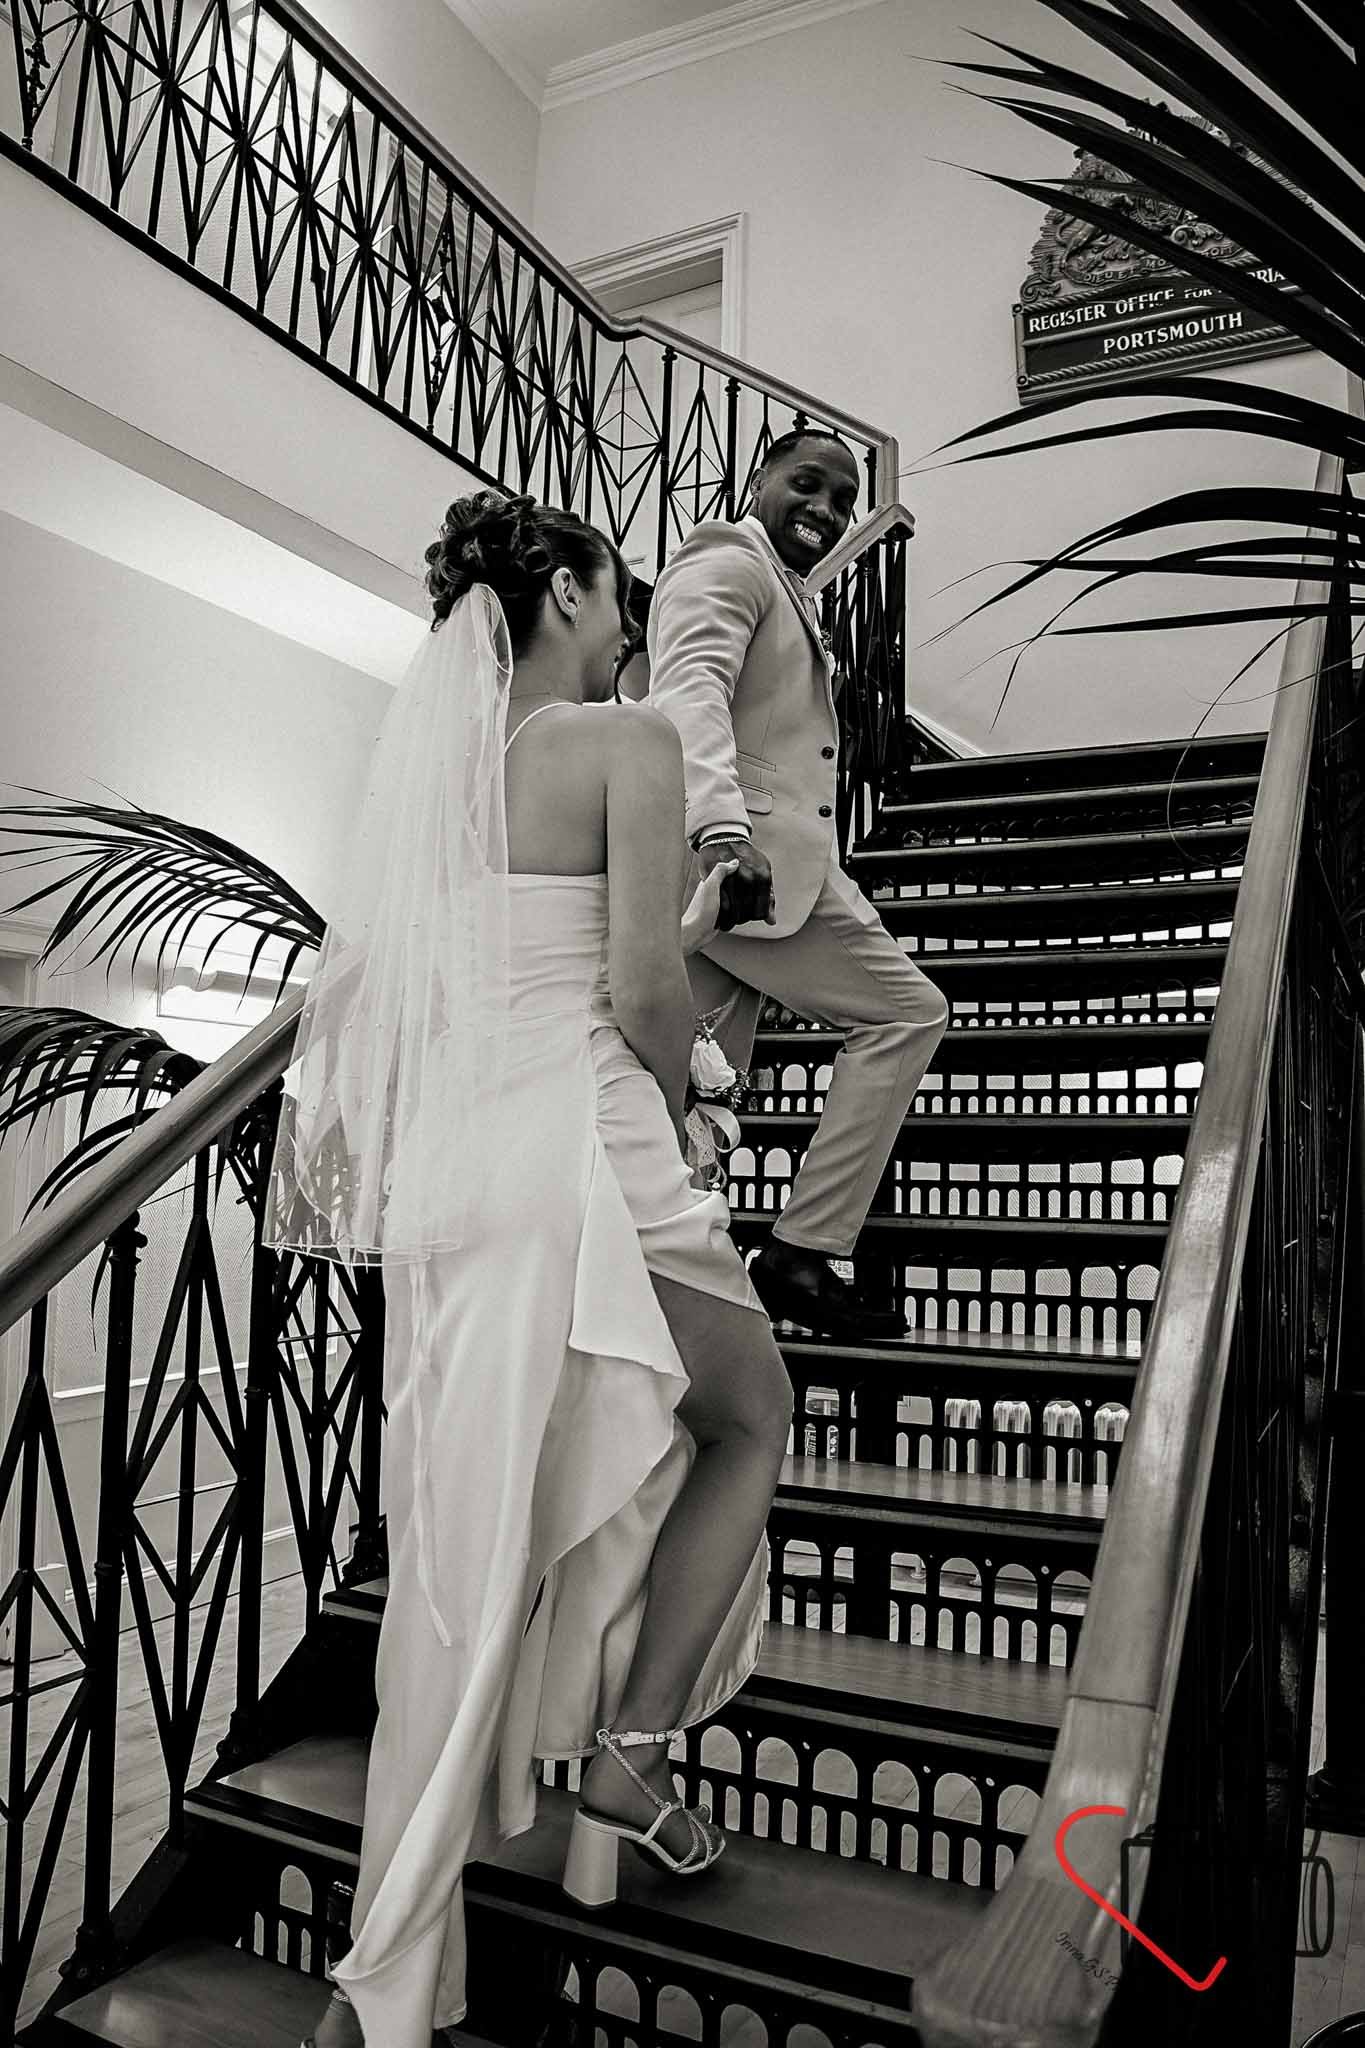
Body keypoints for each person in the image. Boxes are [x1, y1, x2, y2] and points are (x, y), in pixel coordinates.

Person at [265, 491, 792, 2048]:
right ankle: (624, 1760)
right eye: (615, 587)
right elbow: (636, 983)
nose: (629, 616)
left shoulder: (442, 785)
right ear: (560, 590)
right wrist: (704, 1081)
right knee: (748, 1419)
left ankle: (396, 1966)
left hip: (457, 1185)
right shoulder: (622, 741)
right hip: (585, 1152)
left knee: (468, 1547)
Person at [647, 430, 950, 1342]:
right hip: (743, 861)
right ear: (758, 482)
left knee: (688, 1095)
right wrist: (725, 830)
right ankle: (799, 1251)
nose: (824, 509)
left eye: (843, 499)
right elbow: (688, 687)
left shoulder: (781, 586)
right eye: (806, 484)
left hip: (761, 868)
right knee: (906, 1012)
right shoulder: (726, 560)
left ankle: (670, 1286)